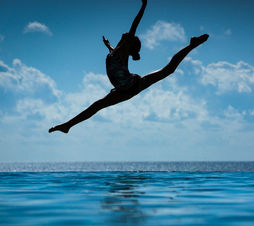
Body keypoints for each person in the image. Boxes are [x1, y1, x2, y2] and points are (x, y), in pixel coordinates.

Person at [49, 0, 208, 134]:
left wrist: (143, 5)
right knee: (96, 106)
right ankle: (67, 125)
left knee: (168, 70)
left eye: (128, 36)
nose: (125, 34)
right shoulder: (115, 52)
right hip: (122, 89)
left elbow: (135, 24)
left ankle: (192, 45)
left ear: (128, 43)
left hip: (132, 84)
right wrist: (108, 45)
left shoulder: (123, 49)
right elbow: (113, 54)